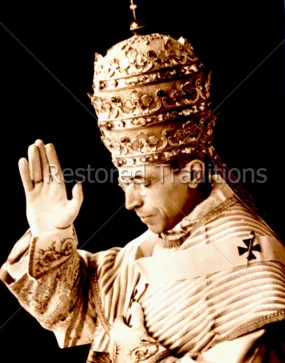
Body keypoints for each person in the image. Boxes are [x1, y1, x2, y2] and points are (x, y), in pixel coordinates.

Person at [1, 5, 285, 363]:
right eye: (124, 184)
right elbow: (71, 311)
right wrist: (50, 235)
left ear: (194, 173)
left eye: (143, 182)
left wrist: (136, 354)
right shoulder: (154, 245)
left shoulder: (247, 255)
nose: (129, 202)